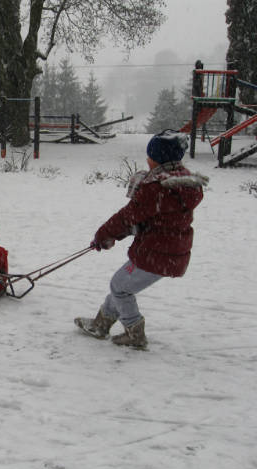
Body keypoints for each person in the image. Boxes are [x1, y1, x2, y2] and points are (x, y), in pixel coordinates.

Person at [75, 130, 208, 348]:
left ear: (157, 159)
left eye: (150, 156)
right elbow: (147, 219)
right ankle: (102, 323)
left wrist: (103, 235)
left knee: (120, 286)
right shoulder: (180, 182)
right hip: (168, 251)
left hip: (156, 253)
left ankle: (134, 332)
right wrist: (113, 236)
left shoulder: (156, 189)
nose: (147, 160)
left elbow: (128, 217)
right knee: (122, 285)